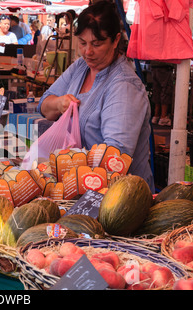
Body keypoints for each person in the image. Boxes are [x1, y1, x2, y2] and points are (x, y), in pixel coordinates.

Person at [38, 1, 154, 192]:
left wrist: (72, 169)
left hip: (119, 196)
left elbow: (116, 157)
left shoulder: (124, 86)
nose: (88, 52)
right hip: (79, 185)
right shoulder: (81, 67)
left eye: (97, 44)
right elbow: (44, 105)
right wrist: (59, 104)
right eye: (82, 43)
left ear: (116, 40)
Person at [151, 61, 175, 126]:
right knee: (166, 90)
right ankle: (163, 117)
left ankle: (156, 116)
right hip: (165, 65)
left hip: (154, 65)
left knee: (157, 91)